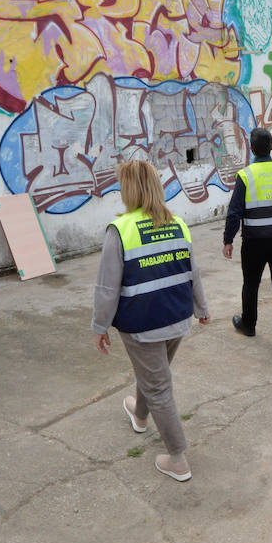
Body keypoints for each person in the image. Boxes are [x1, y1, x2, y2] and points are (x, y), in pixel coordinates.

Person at [93, 159, 210, 482]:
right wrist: (202, 308)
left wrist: (99, 326)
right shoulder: (178, 224)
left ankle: (178, 459)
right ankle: (139, 415)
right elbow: (193, 272)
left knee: (158, 385)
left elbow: (107, 286)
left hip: (142, 325)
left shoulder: (121, 230)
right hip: (177, 318)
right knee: (155, 374)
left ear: (128, 189)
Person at [222, 127, 272, 358]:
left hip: (255, 242)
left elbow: (235, 211)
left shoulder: (246, 175)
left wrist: (228, 239)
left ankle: (249, 325)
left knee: (251, 284)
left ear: (252, 148)